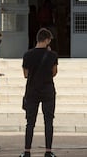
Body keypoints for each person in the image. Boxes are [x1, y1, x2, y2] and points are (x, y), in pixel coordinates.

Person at [20, 28, 58, 157]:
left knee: (30, 122)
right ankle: (48, 151)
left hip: (32, 91)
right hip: (47, 90)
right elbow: (54, 72)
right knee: (48, 121)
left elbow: (25, 74)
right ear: (47, 40)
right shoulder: (52, 55)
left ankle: (27, 151)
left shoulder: (27, 55)